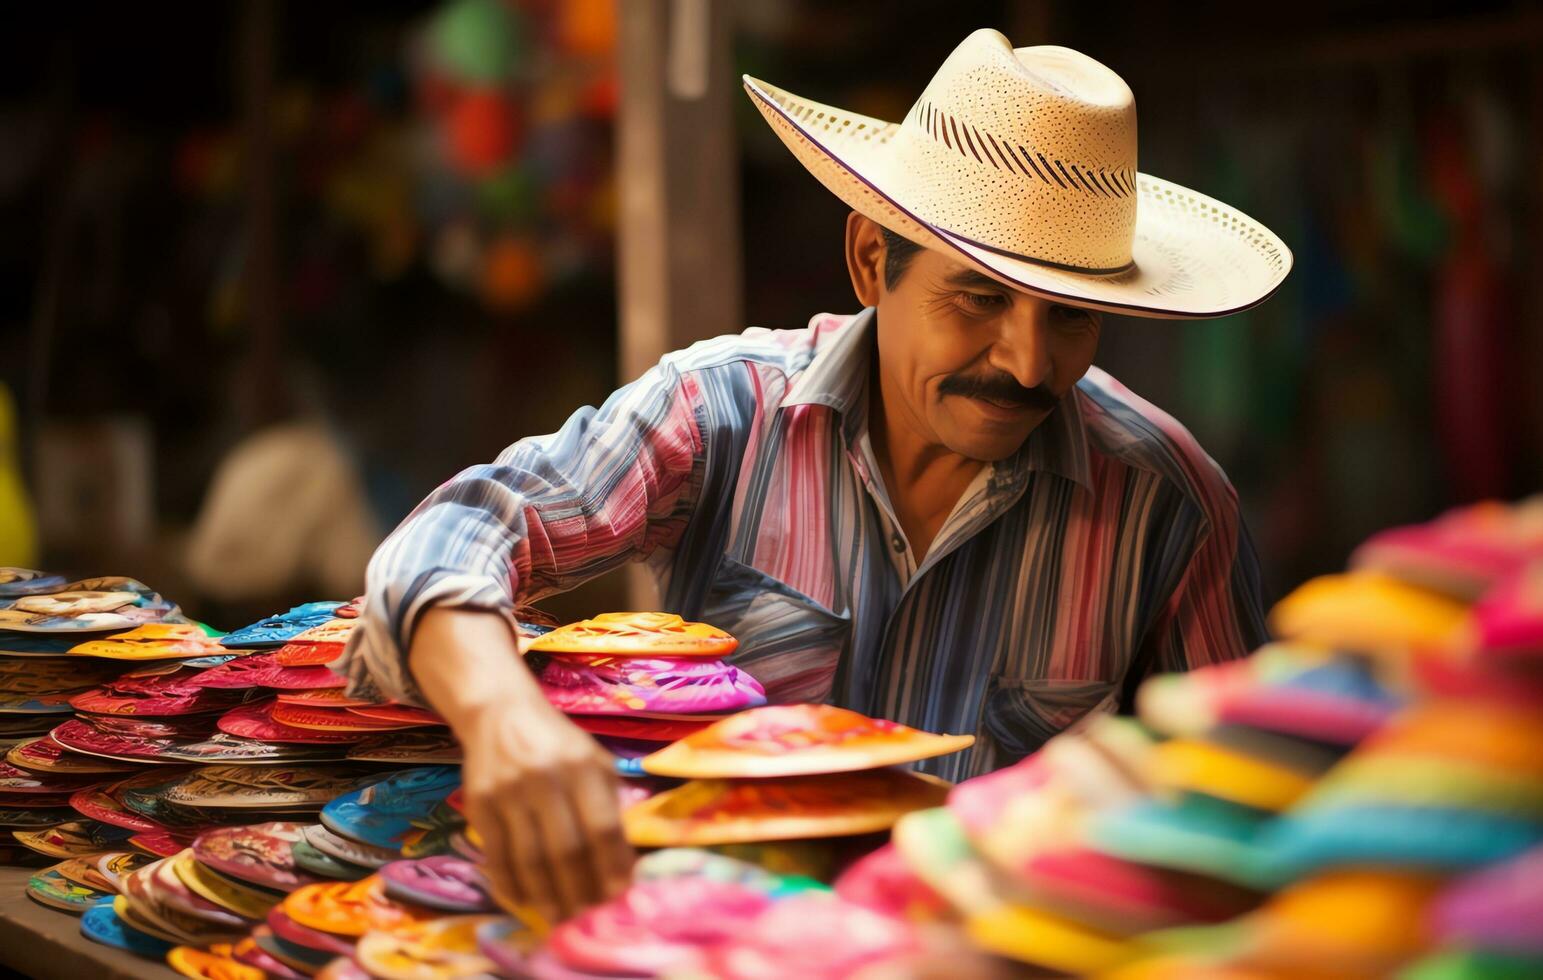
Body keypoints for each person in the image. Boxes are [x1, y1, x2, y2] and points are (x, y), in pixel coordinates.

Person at [336, 28, 1292, 919]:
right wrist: (506, 720)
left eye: (1071, 316)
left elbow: (1241, 809)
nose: (1029, 363)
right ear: (872, 261)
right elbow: (463, 530)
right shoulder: (721, 414)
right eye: (981, 298)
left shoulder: (1170, 503)